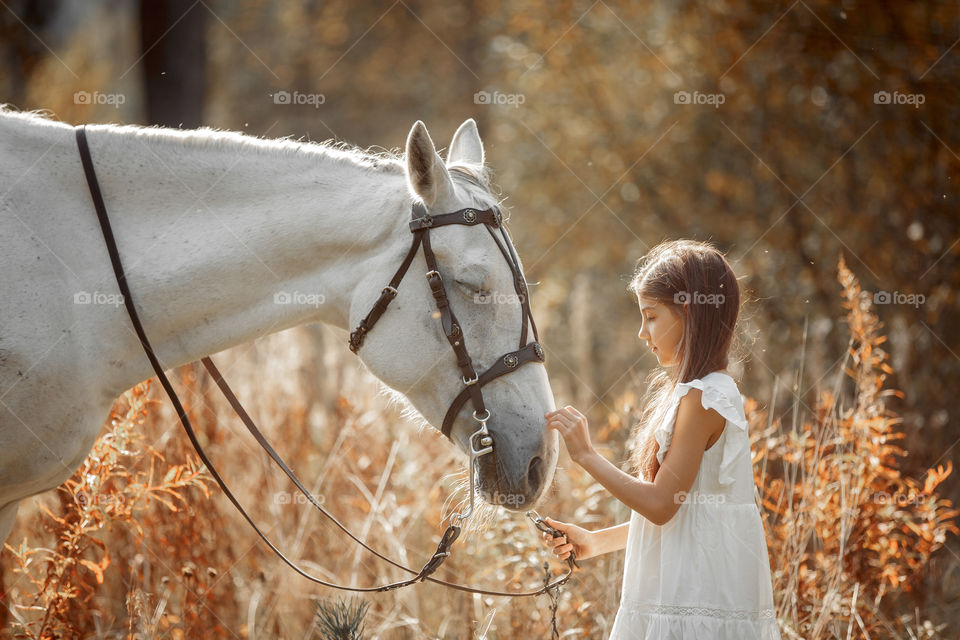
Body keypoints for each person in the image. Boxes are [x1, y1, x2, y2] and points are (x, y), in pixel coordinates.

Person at [542, 239, 781, 639]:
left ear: (689, 313)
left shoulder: (705, 397)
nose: (641, 332)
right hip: (683, 591)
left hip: (697, 597)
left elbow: (661, 505)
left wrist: (585, 454)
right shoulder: (698, 393)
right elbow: (686, 513)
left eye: (651, 316)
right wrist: (595, 542)